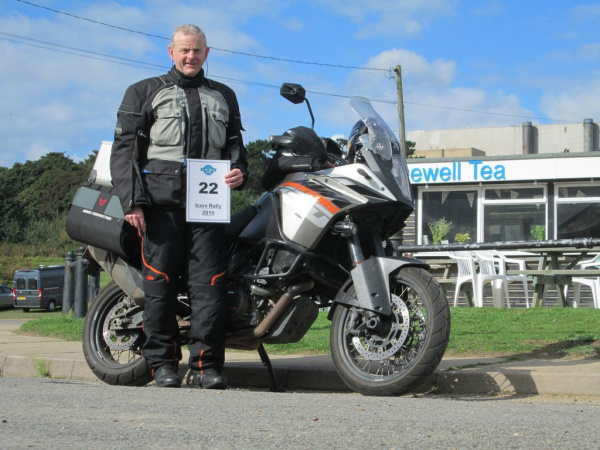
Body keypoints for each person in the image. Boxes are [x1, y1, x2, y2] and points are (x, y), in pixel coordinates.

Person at [110, 24, 248, 389]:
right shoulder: (143, 92)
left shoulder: (224, 95)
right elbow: (124, 154)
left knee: (211, 287)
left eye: (197, 51)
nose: (191, 57)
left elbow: (236, 151)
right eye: (184, 50)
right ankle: (163, 366)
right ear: (171, 52)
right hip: (158, 205)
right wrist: (133, 203)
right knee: (160, 286)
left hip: (208, 207)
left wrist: (239, 173)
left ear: (207, 53)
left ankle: (206, 367)